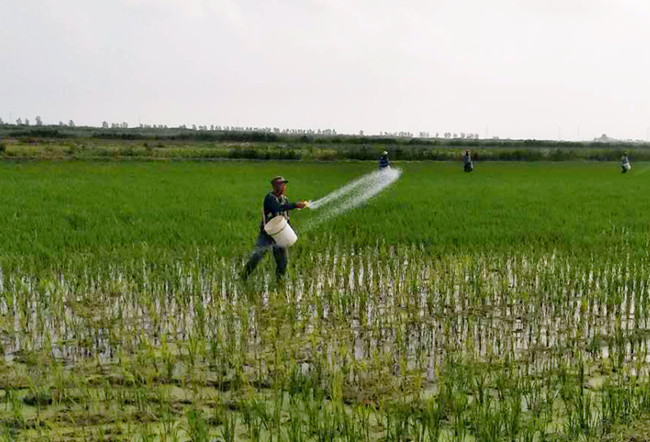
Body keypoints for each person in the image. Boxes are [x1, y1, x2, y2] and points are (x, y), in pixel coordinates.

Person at [242, 176, 306, 281]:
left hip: (280, 234)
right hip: (267, 235)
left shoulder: (285, 199)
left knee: (283, 262)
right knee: (257, 256)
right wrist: (295, 205)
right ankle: (243, 276)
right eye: (281, 185)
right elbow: (278, 208)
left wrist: (288, 231)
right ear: (275, 187)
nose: (284, 187)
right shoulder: (269, 198)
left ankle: (279, 282)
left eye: (284, 184)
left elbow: (286, 217)